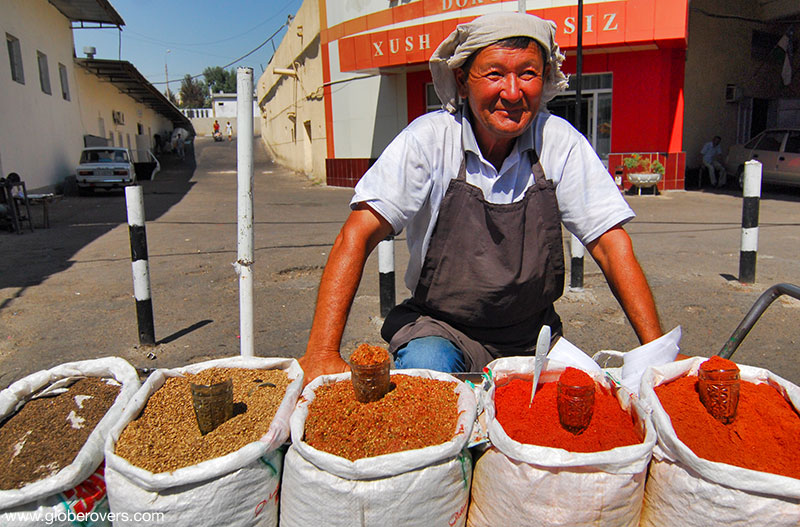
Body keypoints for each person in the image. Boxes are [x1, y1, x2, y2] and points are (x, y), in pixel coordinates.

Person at [298, 12, 663, 384]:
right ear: (462, 80)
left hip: (531, 335)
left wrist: (658, 355)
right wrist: (321, 353)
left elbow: (609, 244)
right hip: (441, 328)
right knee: (427, 384)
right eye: (494, 74)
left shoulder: (559, 142)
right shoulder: (429, 140)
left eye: (528, 73)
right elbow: (356, 235)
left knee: (583, 402)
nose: (512, 92)